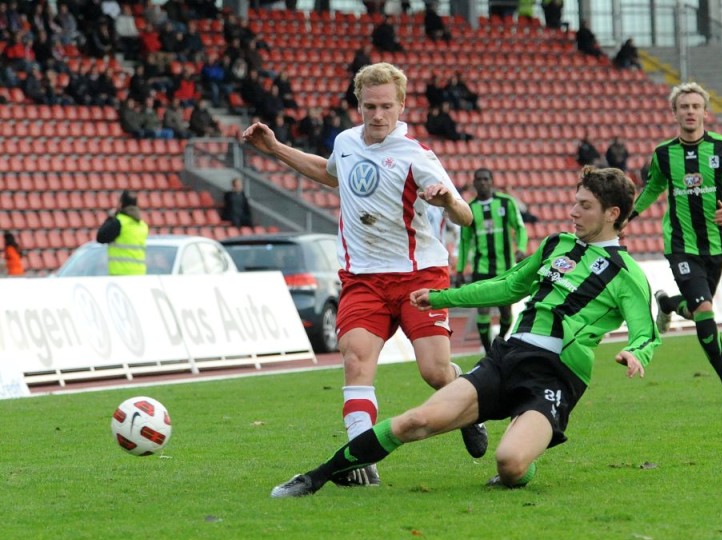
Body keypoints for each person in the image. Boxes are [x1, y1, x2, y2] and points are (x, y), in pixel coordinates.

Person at [270, 166, 661, 497]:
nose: (572, 211)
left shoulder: (627, 274)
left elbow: (645, 331)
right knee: (414, 421)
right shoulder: (556, 244)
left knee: (509, 463)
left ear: (612, 213)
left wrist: (636, 352)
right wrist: (442, 298)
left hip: (555, 377)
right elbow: (508, 286)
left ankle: (524, 445)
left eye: (585, 206)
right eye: (575, 201)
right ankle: (315, 477)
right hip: (507, 358)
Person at [242, 62, 484, 487]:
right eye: (370, 106)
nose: (378, 115)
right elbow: (328, 173)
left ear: (401, 105)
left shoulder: (416, 155)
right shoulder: (346, 142)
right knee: (355, 358)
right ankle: (360, 458)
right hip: (363, 278)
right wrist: (276, 148)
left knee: (434, 372)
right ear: (358, 105)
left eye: (386, 106)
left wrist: (447, 200)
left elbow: (465, 216)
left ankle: (466, 398)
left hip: (417, 275)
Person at [627, 82, 722, 402]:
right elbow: (652, 189)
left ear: (705, 112)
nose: (690, 112)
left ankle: (667, 304)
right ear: (674, 113)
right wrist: (627, 218)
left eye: (696, 106)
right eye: (684, 107)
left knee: (699, 310)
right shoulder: (663, 154)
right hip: (680, 245)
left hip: (716, 244)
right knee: (704, 307)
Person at [456, 168, 528, 353]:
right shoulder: (469, 209)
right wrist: (460, 269)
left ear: (492, 181)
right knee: (482, 310)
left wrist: (521, 247)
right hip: (481, 267)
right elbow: (464, 241)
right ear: (474, 183)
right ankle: (489, 352)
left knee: (506, 312)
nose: (482, 182)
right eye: (479, 179)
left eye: (485, 179)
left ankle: (500, 340)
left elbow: (520, 228)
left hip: (505, 268)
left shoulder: (506, 202)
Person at [96, 190, 149, 275]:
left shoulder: (118, 222)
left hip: (121, 275)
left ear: (121, 204)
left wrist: (110, 218)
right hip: (139, 274)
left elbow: (100, 237)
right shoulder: (143, 225)